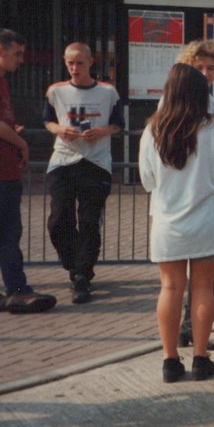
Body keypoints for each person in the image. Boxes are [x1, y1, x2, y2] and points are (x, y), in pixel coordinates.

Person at [140, 63, 214, 382]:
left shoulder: (153, 129)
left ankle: (170, 361)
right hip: (207, 219)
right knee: (203, 287)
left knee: (170, 287)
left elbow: (146, 180)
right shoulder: (213, 126)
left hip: (167, 222)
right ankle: (200, 357)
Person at [0, 29, 56, 313]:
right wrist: (22, 143)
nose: (21, 60)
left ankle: (17, 290)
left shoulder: (0, 83)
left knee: (8, 234)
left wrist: (13, 136)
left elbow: (1, 124)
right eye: (16, 54)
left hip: (5, 170)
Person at [43, 43, 124, 304]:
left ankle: (82, 276)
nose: (74, 68)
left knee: (89, 221)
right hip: (64, 161)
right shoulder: (56, 91)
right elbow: (47, 120)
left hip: (95, 162)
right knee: (58, 219)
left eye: (79, 63)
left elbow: (118, 125)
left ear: (90, 62)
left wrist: (102, 131)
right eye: (69, 63)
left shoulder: (107, 92)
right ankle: (73, 264)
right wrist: (58, 130)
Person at [174, 39, 214, 350]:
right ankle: (204, 326)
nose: (205, 73)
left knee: (208, 266)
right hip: (183, 197)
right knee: (191, 268)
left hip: (209, 194)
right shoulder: (172, 103)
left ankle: (201, 326)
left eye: (211, 68)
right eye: (199, 67)